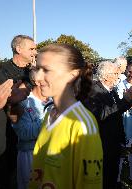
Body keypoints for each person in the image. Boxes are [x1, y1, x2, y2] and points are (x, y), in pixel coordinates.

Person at [28, 44, 103, 189]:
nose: (37, 77)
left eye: (46, 70)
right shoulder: (50, 114)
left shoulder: (82, 124)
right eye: (37, 69)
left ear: (72, 75)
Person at [83, 61, 132, 189]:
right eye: (116, 73)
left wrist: (130, 98)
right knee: (105, 174)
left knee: (113, 172)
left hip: (114, 140)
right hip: (104, 142)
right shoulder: (93, 90)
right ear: (106, 75)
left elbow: (118, 109)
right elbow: (102, 114)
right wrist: (124, 100)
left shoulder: (111, 90)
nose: (118, 76)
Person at [0, 35, 36, 189]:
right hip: (8, 138)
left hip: (32, 139)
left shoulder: (33, 73)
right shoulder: (1, 73)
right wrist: (12, 99)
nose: (35, 52)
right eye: (31, 48)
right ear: (18, 49)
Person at [9, 70, 50, 189]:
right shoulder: (23, 101)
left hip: (51, 154)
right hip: (30, 156)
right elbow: (24, 133)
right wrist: (51, 118)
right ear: (37, 81)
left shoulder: (53, 101)